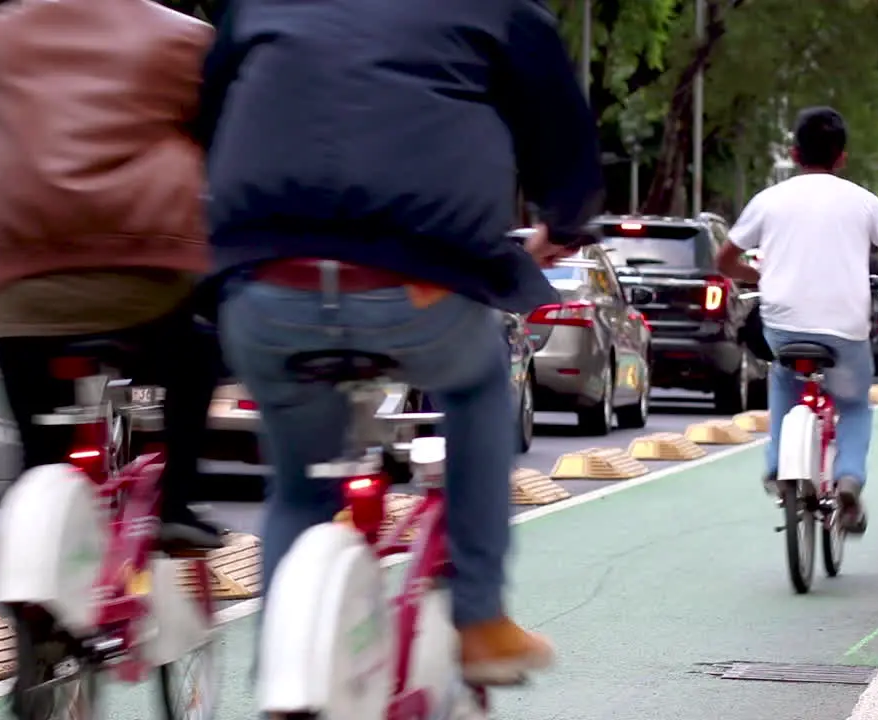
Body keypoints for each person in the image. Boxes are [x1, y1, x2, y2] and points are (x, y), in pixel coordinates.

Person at [200, 0, 603, 685]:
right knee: (480, 387)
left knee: (299, 488)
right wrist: (564, 223)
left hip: (267, 283)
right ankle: (478, 617)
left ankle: (281, 673)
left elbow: (207, 119)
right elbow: (561, 140)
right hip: (417, 282)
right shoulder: (502, 10)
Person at [0, 0, 225, 548]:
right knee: (197, 354)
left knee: (39, 452)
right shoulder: (183, 38)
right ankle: (174, 503)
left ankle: (37, 528)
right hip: (144, 275)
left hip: (22, 281)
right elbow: (215, 136)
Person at [714, 107, 878, 534]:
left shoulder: (769, 200)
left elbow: (725, 259)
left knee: (784, 380)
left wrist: (758, 276)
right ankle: (848, 479)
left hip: (784, 326)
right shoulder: (863, 201)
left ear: (794, 153)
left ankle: (777, 466)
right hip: (845, 331)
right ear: (842, 158)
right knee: (852, 405)